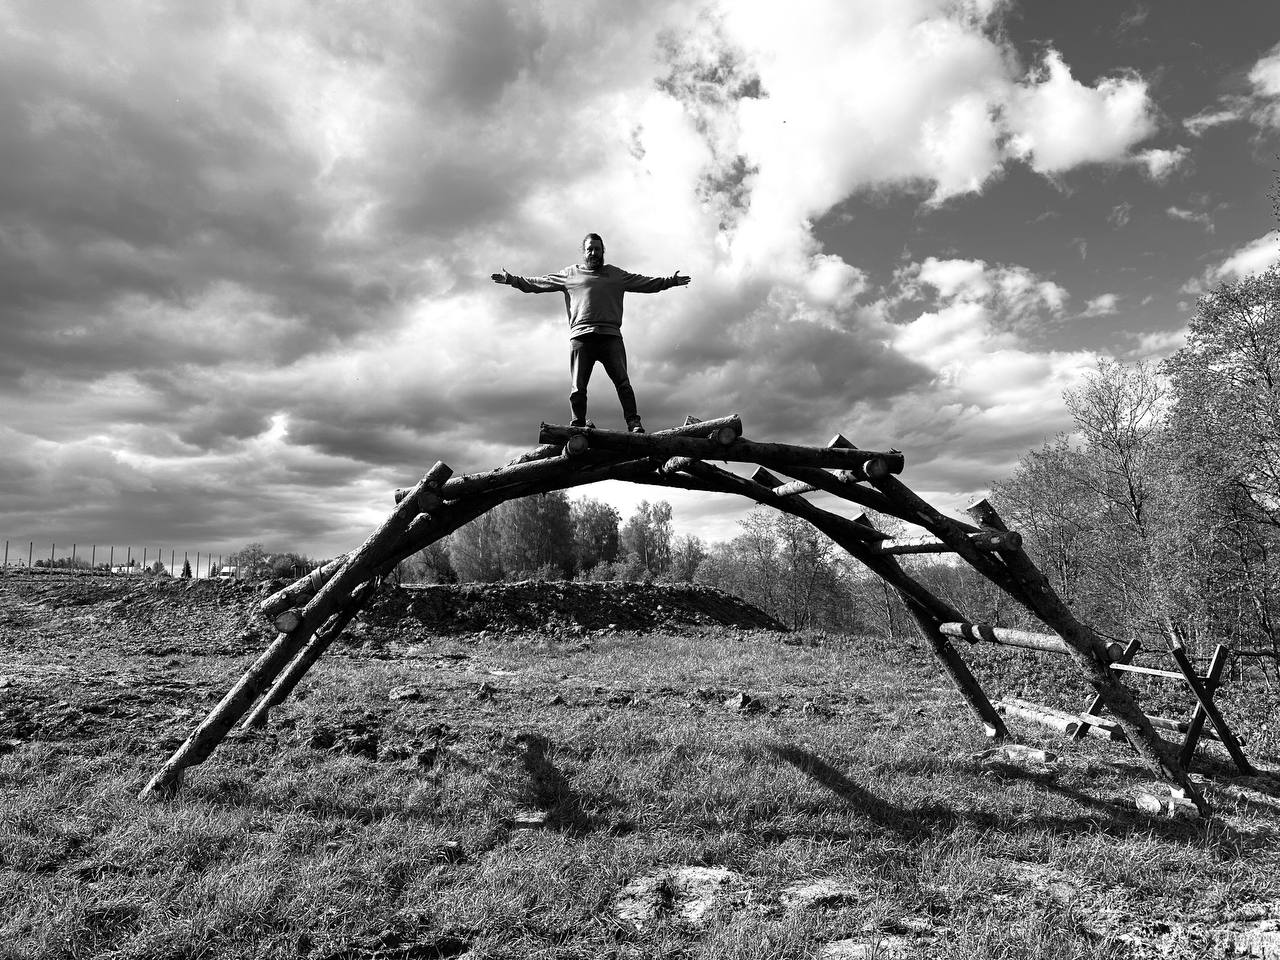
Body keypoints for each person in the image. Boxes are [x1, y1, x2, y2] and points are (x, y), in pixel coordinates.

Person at [492, 233, 690, 433]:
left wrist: (670, 281)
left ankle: (634, 423)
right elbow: (538, 283)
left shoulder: (616, 275)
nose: (594, 253)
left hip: (610, 337)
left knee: (623, 383)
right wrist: (512, 280)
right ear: (584, 252)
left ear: (603, 251)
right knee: (578, 387)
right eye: (590, 249)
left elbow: (645, 283)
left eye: (597, 249)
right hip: (581, 338)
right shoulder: (570, 274)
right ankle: (577, 424)